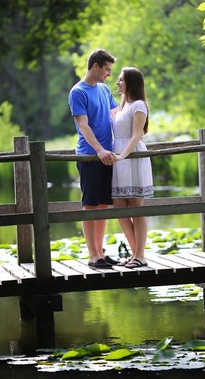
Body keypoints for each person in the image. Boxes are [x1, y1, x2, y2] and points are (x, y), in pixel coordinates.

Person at [68, 49, 119, 269]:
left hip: (108, 155)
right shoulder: (78, 92)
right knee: (90, 206)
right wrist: (98, 150)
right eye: (107, 69)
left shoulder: (105, 90)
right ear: (95, 66)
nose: (109, 74)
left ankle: (101, 252)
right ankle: (92, 256)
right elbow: (83, 126)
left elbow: (116, 115)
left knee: (103, 205)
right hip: (90, 156)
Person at [111, 67, 154, 268]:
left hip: (133, 155)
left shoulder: (139, 105)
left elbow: (137, 135)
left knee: (136, 208)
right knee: (119, 208)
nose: (117, 83)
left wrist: (122, 156)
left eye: (120, 80)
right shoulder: (121, 107)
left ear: (131, 82)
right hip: (119, 157)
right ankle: (137, 253)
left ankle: (140, 256)